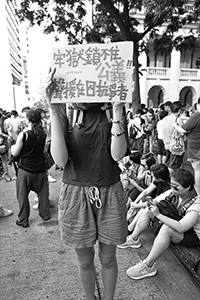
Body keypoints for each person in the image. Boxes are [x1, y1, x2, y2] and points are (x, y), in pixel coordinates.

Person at [46, 68, 128, 300]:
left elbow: (117, 155)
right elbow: (60, 160)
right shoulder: (66, 111)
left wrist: (118, 110)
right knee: (84, 261)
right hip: (75, 194)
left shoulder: (114, 109)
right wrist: (53, 109)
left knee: (108, 258)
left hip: (110, 190)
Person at [126, 168, 200, 280]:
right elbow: (155, 201)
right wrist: (144, 206)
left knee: (167, 229)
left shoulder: (196, 205)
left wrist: (158, 215)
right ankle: (133, 238)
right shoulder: (173, 192)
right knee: (148, 209)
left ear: (188, 187)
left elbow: (181, 227)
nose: (172, 188)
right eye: (171, 184)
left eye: (176, 186)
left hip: (192, 235)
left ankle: (148, 266)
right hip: (178, 221)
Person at [11, 109, 50, 228]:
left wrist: (13, 145)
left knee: (22, 196)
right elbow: (44, 150)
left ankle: (23, 220)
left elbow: (15, 152)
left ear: (28, 120)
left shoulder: (25, 134)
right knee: (43, 194)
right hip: (40, 170)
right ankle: (45, 214)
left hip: (25, 171)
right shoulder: (43, 133)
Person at [173, 97, 200, 194]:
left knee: (197, 169)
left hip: (195, 146)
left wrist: (175, 125)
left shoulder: (197, 115)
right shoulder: (195, 116)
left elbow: (183, 130)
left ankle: (198, 190)